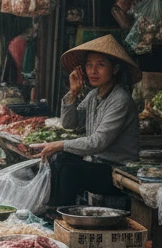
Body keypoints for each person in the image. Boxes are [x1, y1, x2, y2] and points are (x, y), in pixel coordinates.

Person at [38, 35, 141, 206]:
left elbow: (99, 142)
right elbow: (70, 124)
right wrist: (73, 93)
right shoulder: (94, 95)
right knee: (60, 159)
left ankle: (63, 216)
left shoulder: (120, 99)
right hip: (97, 165)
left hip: (119, 171)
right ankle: (53, 212)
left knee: (70, 170)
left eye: (100, 65)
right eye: (89, 65)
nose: (93, 71)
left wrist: (60, 144)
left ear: (114, 69)